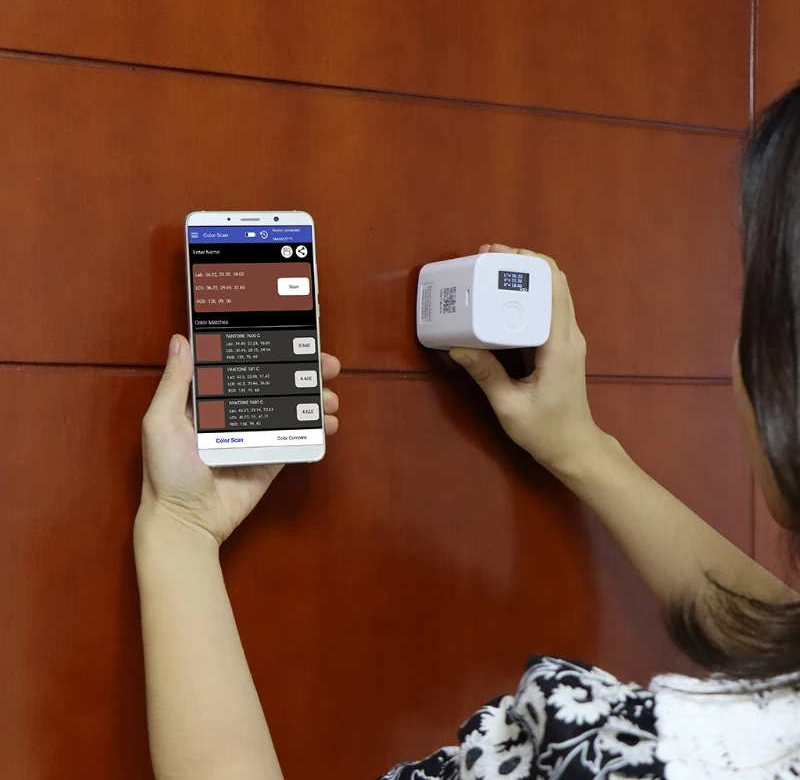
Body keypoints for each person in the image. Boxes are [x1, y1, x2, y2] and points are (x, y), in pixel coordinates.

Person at [135, 84, 800, 780]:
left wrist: (179, 529)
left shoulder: (609, 759)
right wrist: (582, 449)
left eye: (754, 302)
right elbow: (778, 638)